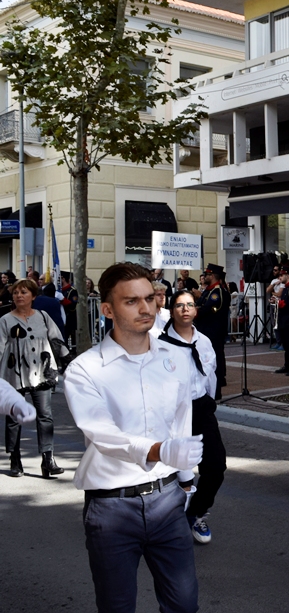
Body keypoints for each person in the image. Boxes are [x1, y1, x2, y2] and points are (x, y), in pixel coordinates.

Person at [64, 262, 204, 613]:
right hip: (111, 507)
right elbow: (102, 433)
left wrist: (186, 481)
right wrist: (159, 450)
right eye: (132, 301)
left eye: (150, 298)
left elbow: (180, 421)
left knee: (184, 605)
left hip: (168, 501)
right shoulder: (85, 369)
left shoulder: (175, 358)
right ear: (108, 309)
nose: (146, 308)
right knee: (117, 606)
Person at [158, 289, 226, 544]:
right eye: (179, 305)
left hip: (200, 407)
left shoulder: (204, 341)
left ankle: (195, 512)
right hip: (173, 412)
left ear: (196, 310)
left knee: (216, 466)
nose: (185, 309)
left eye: (189, 305)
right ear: (172, 310)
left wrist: (209, 403)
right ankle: (167, 518)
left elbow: (211, 375)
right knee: (174, 468)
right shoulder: (161, 345)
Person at [0, 278, 69, 477]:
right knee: (14, 417)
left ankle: (48, 459)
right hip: (14, 375)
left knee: (45, 416)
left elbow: (56, 340)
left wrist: (68, 361)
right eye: (15, 293)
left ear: (33, 296)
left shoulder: (43, 316)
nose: (19, 296)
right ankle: (15, 459)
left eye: (23, 292)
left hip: (42, 373)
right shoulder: (5, 320)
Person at [193, 264, 230, 399]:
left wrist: (196, 310)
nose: (204, 277)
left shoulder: (217, 292)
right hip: (206, 330)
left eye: (207, 275)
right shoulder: (209, 291)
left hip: (213, 331)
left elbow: (207, 309)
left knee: (215, 361)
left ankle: (217, 390)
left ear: (213, 276)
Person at [60, 271, 80, 348]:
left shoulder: (72, 291)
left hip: (69, 318)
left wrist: (62, 300)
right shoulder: (59, 290)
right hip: (61, 317)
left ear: (63, 279)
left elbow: (72, 305)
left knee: (70, 336)